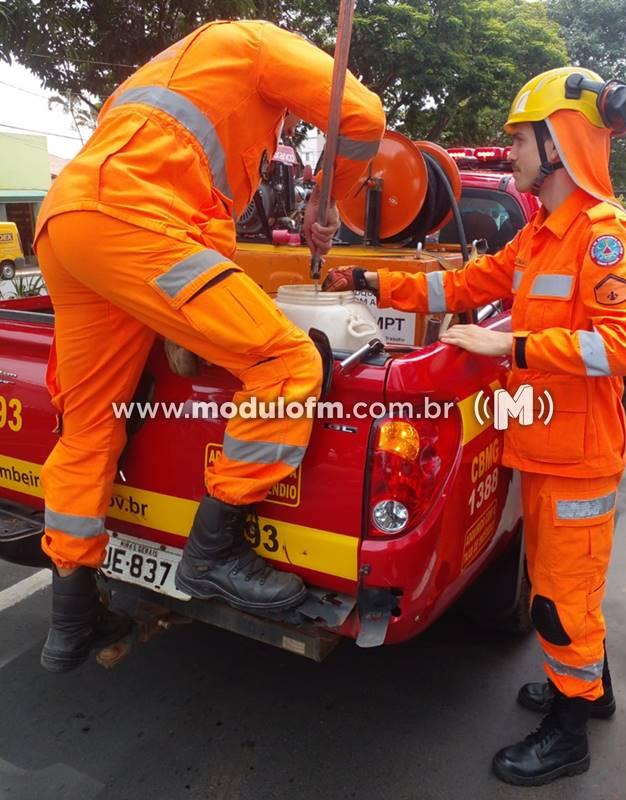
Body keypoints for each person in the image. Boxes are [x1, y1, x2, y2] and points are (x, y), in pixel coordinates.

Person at [323, 67, 626, 785]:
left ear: (558, 143)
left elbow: (620, 347)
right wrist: (376, 281)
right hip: (542, 446)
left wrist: (511, 346)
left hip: (576, 459)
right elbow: (466, 284)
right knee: (566, 590)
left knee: (561, 601)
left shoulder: (603, 238)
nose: (510, 153)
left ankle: (567, 733)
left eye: (519, 139)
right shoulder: (539, 236)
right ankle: (587, 692)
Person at [34, 19, 385, 673]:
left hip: (69, 225)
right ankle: (214, 552)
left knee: (88, 423)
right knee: (285, 360)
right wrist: (327, 204)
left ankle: (71, 616)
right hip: (136, 223)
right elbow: (362, 114)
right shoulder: (257, 44)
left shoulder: (166, 72)